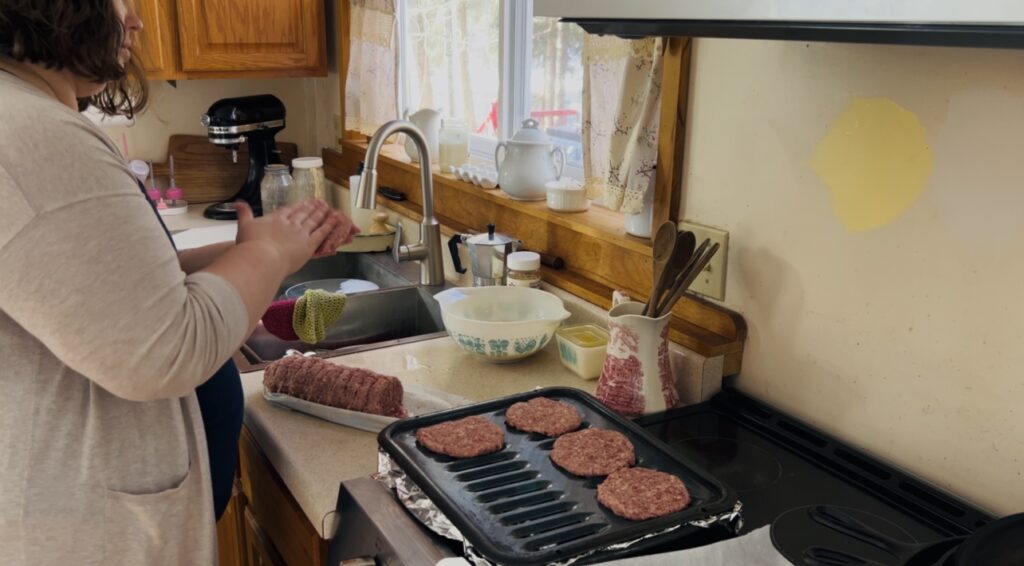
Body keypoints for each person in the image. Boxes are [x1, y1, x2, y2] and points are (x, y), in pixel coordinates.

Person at [0, 1, 358, 564]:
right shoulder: (31, 134)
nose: (136, 22)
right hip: (88, 534)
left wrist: (263, 248)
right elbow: (165, 348)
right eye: (123, 2)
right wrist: (265, 252)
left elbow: (119, 285)